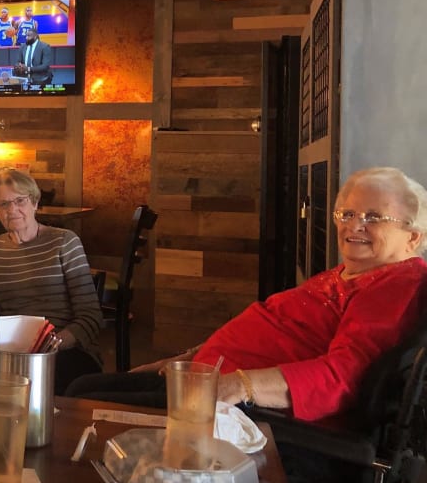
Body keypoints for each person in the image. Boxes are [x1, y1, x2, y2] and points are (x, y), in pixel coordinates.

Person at [65, 167, 427, 426]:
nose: (353, 225)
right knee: (82, 387)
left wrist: (235, 385)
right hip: (208, 379)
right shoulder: (355, 272)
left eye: (374, 217)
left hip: (244, 409)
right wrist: (184, 360)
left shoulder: (396, 283)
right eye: (346, 213)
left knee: (78, 406)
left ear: (414, 237)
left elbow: (341, 379)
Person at [0, 168, 104, 394]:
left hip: (64, 350)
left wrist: (49, 345)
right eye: (3, 204)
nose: (12, 209)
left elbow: (91, 317)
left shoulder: (64, 242)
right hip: (13, 356)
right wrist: (3, 348)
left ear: (34, 203)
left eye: (20, 201)